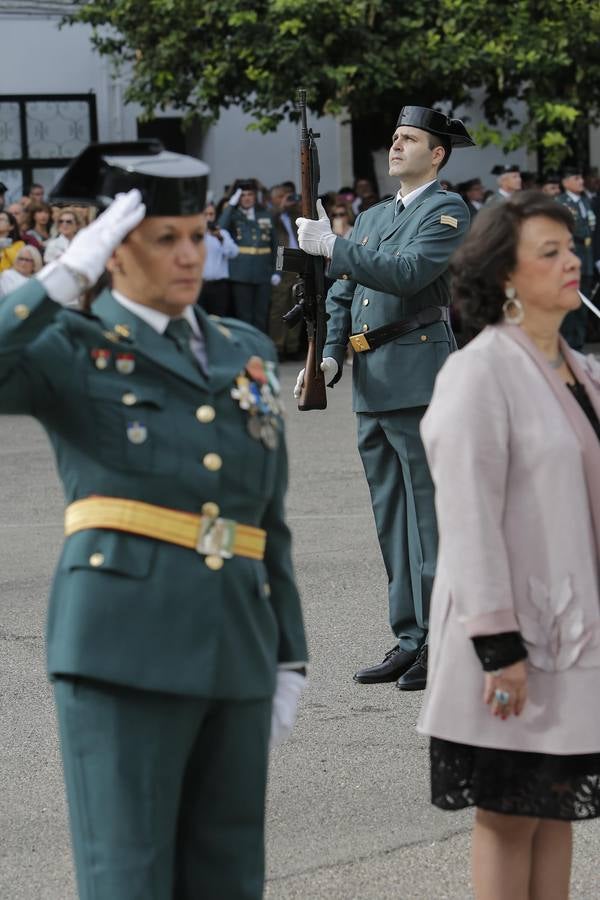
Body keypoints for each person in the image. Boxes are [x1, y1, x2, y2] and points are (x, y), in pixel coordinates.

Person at [0, 141, 307, 900]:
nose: (189, 254)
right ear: (115, 249)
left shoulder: (246, 352)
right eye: (163, 238)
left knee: (230, 877)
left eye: (198, 235)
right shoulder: (72, 345)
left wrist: (289, 651)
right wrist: (61, 277)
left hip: (236, 640)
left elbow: (267, 515)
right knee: (130, 878)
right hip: (120, 648)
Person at [418, 192, 600, 900]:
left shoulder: (576, 369)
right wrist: (499, 647)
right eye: (548, 252)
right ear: (503, 276)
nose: (570, 261)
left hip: (570, 635)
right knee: (507, 819)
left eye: (572, 248)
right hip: (509, 640)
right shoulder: (480, 372)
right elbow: (466, 519)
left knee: (554, 809)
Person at [295, 105, 474, 690]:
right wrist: (328, 355)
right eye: (394, 138)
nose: (396, 146)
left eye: (409, 139)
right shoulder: (372, 216)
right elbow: (345, 290)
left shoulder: (446, 209)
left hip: (418, 374)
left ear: (437, 154)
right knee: (391, 516)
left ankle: (442, 637)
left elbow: (405, 273)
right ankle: (409, 637)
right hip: (372, 378)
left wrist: (333, 246)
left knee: (429, 518)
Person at [218, 178, 278, 333]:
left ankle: (261, 352)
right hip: (240, 273)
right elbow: (220, 228)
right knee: (244, 316)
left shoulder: (265, 215)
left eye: (250, 194)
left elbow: (275, 246)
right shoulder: (233, 216)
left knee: (261, 316)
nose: (247, 198)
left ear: (255, 196)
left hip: (263, 272)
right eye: (242, 195)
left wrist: (277, 271)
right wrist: (231, 204)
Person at [557, 166, 595, 351]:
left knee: (583, 307)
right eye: (576, 178)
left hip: (586, 260)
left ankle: (578, 345)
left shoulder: (586, 201)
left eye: (581, 178)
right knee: (569, 307)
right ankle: (567, 346)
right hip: (570, 259)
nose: (581, 182)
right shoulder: (561, 203)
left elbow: (592, 230)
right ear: (565, 182)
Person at [268, 184, 303, 360]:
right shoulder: (270, 214)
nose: (286, 199)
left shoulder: (293, 214)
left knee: (296, 303)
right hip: (281, 259)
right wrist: (280, 207)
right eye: (281, 196)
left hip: (296, 258)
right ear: (273, 198)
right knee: (279, 306)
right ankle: (278, 345)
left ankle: (292, 346)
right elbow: (271, 219)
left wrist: (292, 206)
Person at [196, 201, 238, 317]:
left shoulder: (222, 234)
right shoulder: (195, 234)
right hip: (200, 284)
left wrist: (220, 238)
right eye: (206, 214)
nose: (209, 218)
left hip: (219, 286)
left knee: (219, 319)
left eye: (212, 214)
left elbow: (233, 253)